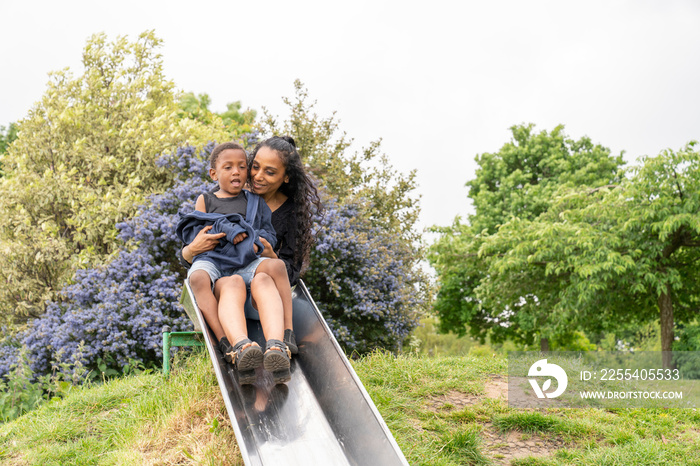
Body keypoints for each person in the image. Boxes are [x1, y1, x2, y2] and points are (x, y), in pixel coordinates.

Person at [181, 136, 322, 380]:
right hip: (227, 288)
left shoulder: (283, 212)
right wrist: (191, 250)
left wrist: (269, 253)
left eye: (269, 172)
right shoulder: (228, 191)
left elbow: (288, 270)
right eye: (255, 166)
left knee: (266, 277)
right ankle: (232, 345)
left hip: (260, 291)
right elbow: (195, 243)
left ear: (285, 177)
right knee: (230, 283)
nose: (256, 176)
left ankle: (281, 340)